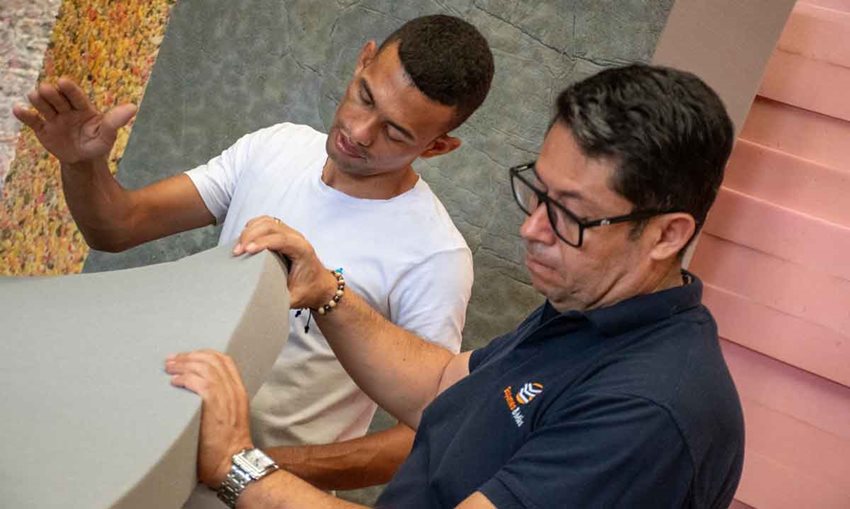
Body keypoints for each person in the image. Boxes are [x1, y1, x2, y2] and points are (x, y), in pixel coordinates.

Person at [166, 64, 746, 508]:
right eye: (537, 191)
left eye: (569, 213)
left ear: (667, 235)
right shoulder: (589, 306)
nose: (531, 228)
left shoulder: (648, 412)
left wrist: (240, 467)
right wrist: (326, 291)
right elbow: (445, 384)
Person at [13, 14, 495, 495]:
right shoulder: (276, 148)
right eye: (365, 96)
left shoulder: (436, 257)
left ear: (438, 147)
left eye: (395, 132)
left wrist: (246, 464)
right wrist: (82, 165)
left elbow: (425, 433)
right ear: (362, 60)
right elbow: (118, 227)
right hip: (144, 445)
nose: (360, 131)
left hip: (259, 494)